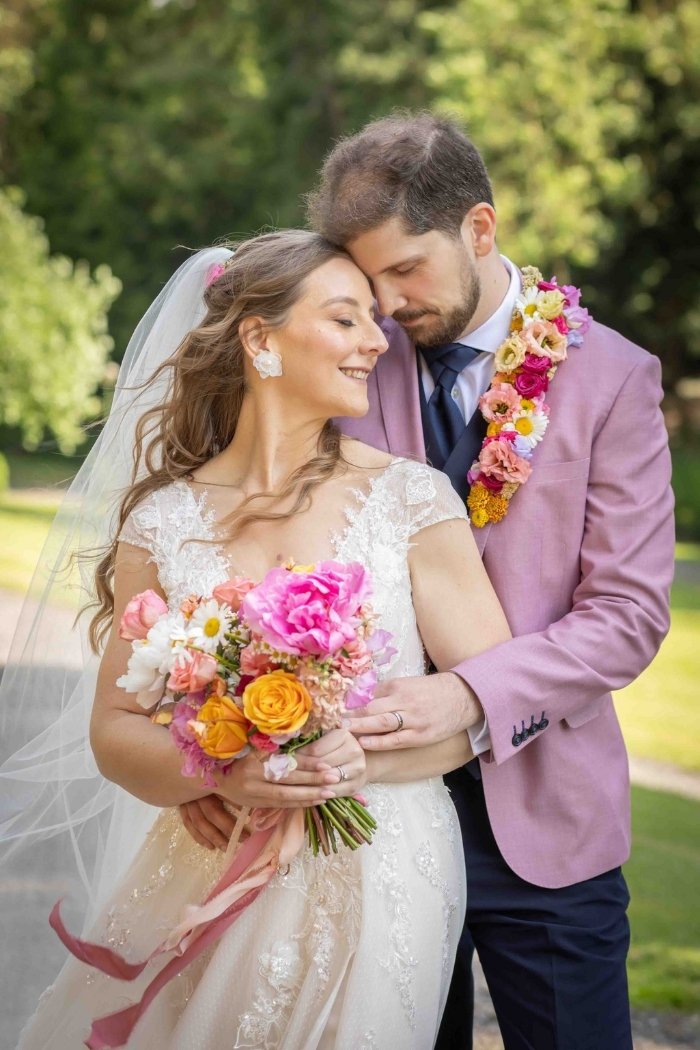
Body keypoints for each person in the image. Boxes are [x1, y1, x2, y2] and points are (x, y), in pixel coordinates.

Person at [184, 113, 676, 1050]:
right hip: (362, 827)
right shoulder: (345, 358)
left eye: (407, 270)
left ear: (479, 229)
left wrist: (468, 694)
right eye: (367, 283)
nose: (387, 305)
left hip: (546, 826)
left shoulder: (613, 378)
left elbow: (628, 616)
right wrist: (210, 744)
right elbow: (242, 545)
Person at [7, 229, 513, 1049]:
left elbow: (489, 705)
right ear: (259, 338)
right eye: (347, 320)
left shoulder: (412, 501)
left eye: (374, 323)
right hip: (204, 861)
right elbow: (114, 730)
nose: (376, 342)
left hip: (384, 867)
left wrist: (366, 759)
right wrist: (216, 768)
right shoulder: (163, 522)